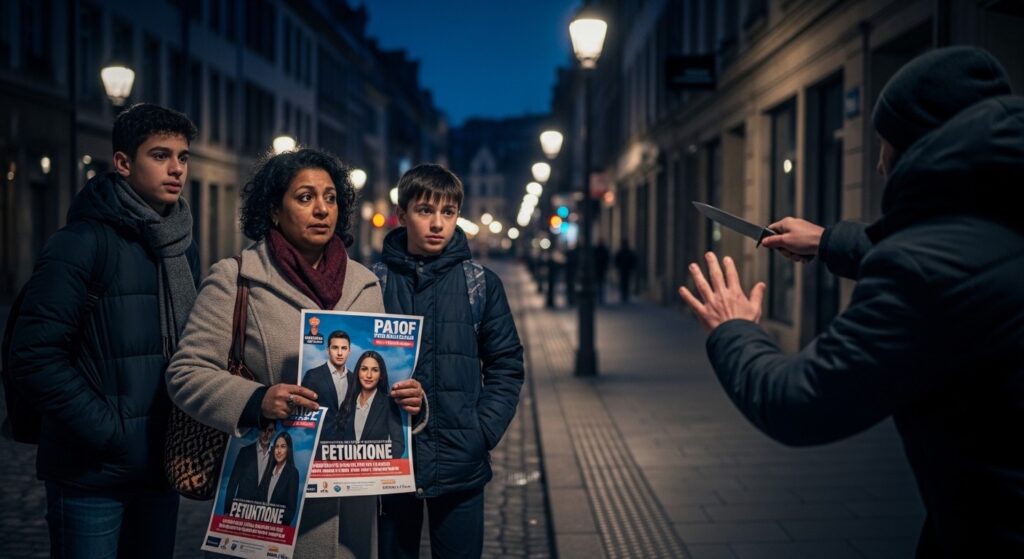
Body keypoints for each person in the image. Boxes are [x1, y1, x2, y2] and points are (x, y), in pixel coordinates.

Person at [678, 46, 1024, 556]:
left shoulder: (924, 270)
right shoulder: (1002, 210)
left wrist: (734, 329)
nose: (880, 165)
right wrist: (828, 241)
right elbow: (968, 261)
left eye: (883, 142)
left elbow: (797, 403)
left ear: (913, 145)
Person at [166, 148, 425, 558]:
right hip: (270, 502)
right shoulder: (237, 278)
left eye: (330, 198)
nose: (321, 209)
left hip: (351, 512)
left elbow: (376, 380)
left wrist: (411, 403)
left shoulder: (365, 283)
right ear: (274, 210)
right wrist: (256, 400)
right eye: (305, 198)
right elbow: (185, 372)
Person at [8, 103, 198, 558]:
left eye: (183, 156)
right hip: (90, 472)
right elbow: (33, 355)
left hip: (159, 467)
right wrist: (109, 433)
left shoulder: (178, 246)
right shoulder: (80, 243)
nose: (176, 168)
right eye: (160, 155)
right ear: (122, 163)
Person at [376, 164, 524, 559]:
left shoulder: (480, 284)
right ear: (402, 213)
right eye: (425, 211)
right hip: (390, 464)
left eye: (448, 212)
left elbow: (506, 364)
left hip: (460, 463)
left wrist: (482, 431)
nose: (438, 223)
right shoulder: (373, 282)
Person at [341, 351, 405, 458]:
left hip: (375, 471)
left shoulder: (389, 404)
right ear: (358, 372)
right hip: (348, 471)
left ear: (381, 375)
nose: (369, 375)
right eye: (364, 369)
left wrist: (377, 467)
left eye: (375, 370)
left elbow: (398, 445)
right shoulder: (347, 403)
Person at [301, 330, 356, 443]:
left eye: (344, 348)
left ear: (349, 351)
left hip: (346, 446)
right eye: (335, 348)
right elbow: (303, 414)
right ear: (328, 350)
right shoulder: (313, 376)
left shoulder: (354, 379)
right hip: (318, 444)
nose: (340, 353)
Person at [224, 421, 275, 514]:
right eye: (264, 430)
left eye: (270, 430)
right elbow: (233, 482)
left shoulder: (276, 456)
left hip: (262, 512)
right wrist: (228, 510)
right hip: (241, 509)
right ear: (259, 431)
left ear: (274, 432)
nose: (266, 434)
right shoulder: (245, 452)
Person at [259, 431, 301, 526]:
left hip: (277, 529)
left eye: (283, 447)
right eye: (277, 447)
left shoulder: (293, 473)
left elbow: (290, 511)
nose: (278, 451)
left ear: (288, 449)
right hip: (260, 526)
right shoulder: (268, 471)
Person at [593, 240, 610, 304]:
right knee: (600, 284)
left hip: (599, 270)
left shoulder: (598, 250)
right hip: (600, 270)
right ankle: (600, 297)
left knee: (599, 284)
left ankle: (599, 297)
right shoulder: (603, 250)